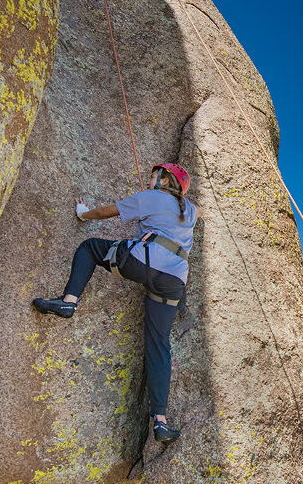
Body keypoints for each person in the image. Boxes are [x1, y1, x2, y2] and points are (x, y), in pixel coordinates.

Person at [33, 163, 199, 444]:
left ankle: (69, 301)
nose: (149, 178)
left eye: (153, 175)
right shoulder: (191, 210)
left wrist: (82, 214)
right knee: (159, 345)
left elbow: (106, 212)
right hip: (174, 280)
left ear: (164, 179)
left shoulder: (152, 197)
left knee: (90, 248)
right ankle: (160, 420)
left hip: (144, 262)